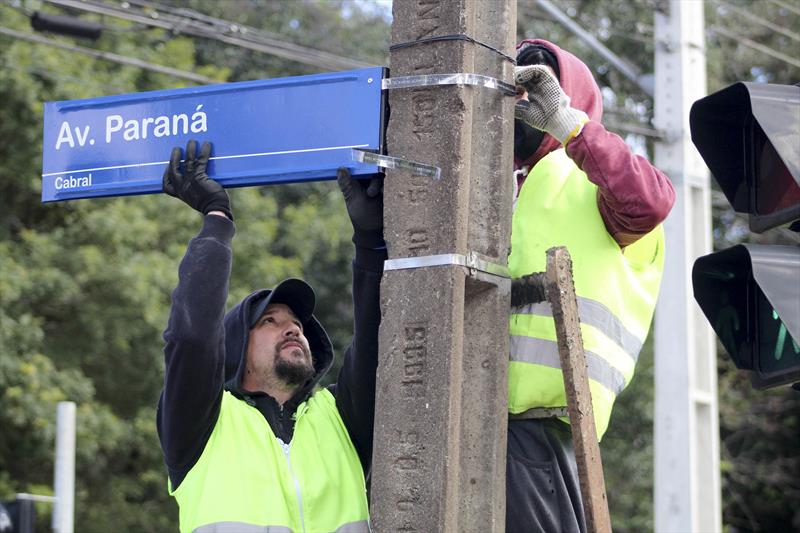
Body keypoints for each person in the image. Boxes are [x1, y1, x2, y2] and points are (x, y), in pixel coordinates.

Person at [156, 139, 385, 532]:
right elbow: (193, 338)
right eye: (269, 321)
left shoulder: (340, 418)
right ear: (235, 352)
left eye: (295, 322)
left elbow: (377, 339)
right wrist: (217, 219)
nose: (293, 327)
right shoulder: (204, 426)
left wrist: (371, 242)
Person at [506, 39, 676, 532]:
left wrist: (568, 124)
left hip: (544, 429)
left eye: (538, 87)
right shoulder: (499, 186)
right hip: (470, 410)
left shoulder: (594, 185)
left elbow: (650, 201)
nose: (524, 104)